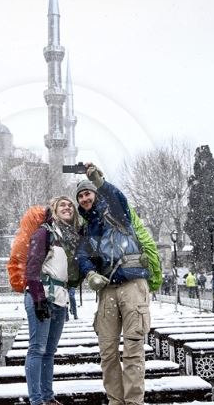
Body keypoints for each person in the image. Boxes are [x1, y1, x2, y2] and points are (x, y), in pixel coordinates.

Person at [74, 163, 150, 405]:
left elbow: (118, 197)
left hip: (130, 284)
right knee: (107, 353)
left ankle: (133, 402)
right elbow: (83, 255)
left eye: (88, 193)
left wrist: (99, 182)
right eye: (81, 196)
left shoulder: (115, 212)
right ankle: (116, 401)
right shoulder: (86, 228)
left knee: (133, 350)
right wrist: (89, 274)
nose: (85, 198)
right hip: (106, 288)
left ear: (95, 194)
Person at [24, 195, 81, 405]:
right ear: (54, 210)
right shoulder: (44, 233)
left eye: (70, 205)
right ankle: (36, 400)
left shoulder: (70, 237)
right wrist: (38, 298)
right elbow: (32, 266)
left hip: (59, 299)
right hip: (43, 295)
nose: (67, 207)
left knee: (49, 352)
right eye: (62, 205)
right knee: (37, 349)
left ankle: (48, 397)